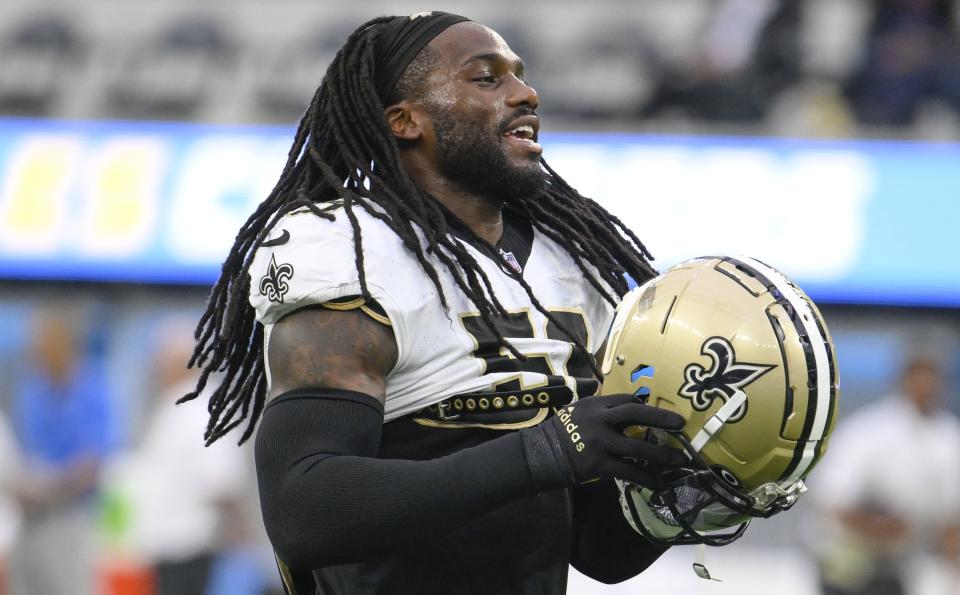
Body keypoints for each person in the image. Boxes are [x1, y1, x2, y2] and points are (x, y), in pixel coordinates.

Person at [184, 12, 689, 594]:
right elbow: (304, 510)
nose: (526, 94)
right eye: (486, 78)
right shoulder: (352, 250)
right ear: (405, 121)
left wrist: (678, 500)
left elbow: (600, 552)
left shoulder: (571, 267)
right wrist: (547, 448)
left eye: (519, 76)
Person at [809, 354, 960, 595]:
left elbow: (950, 518)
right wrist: (876, 527)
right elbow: (831, 496)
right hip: (849, 563)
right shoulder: (869, 431)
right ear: (904, 380)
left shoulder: (948, 437)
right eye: (920, 378)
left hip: (901, 566)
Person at [9, 309, 117, 595]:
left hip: (71, 516)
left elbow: (93, 465)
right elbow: (22, 456)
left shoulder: (92, 391)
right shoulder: (32, 392)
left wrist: (51, 489)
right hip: (30, 519)